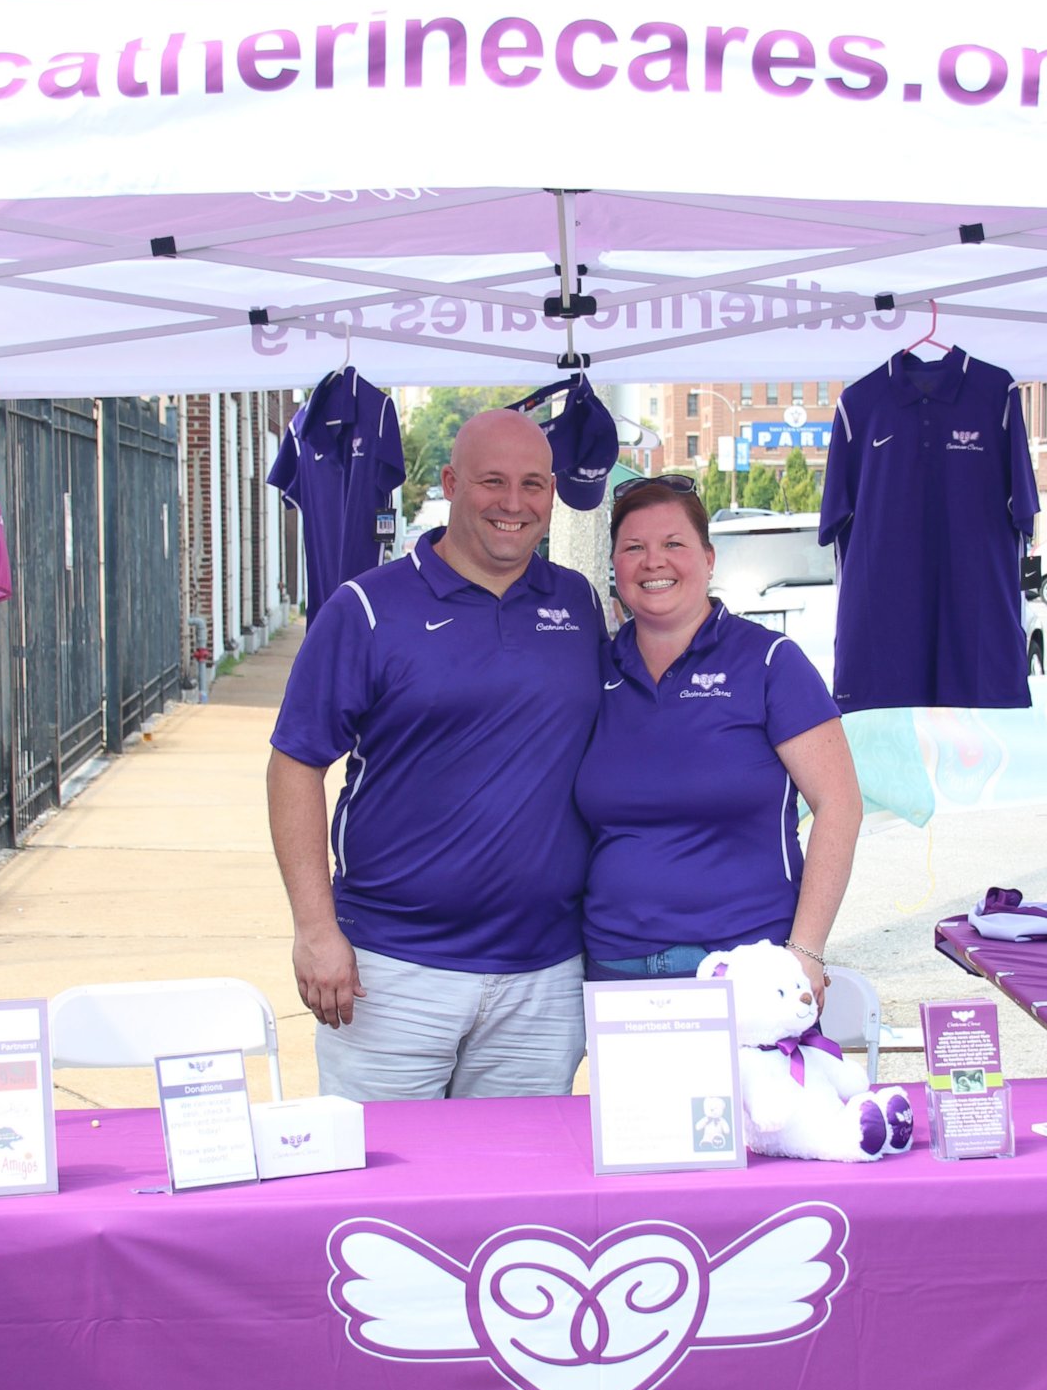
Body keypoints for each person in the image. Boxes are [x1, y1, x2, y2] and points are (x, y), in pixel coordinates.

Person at [267, 408, 607, 1098]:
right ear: (450, 483)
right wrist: (314, 929)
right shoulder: (365, 609)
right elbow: (295, 764)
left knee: (518, 1198)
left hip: (543, 976)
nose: (514, 504)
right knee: (381, 1196)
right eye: (492, 481)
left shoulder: (576, 604)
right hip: (392, 972)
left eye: (533, 484)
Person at [575, 476, 862, 1009]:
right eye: (634, 547)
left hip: (749, 968)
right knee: (638, 1099)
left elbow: (839, 805)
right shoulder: (592, 672)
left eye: (673, 545)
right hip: (618, 967)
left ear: (708, 559)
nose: (653, 562)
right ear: (614, 566)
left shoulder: (771, 662)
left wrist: (807, 951)